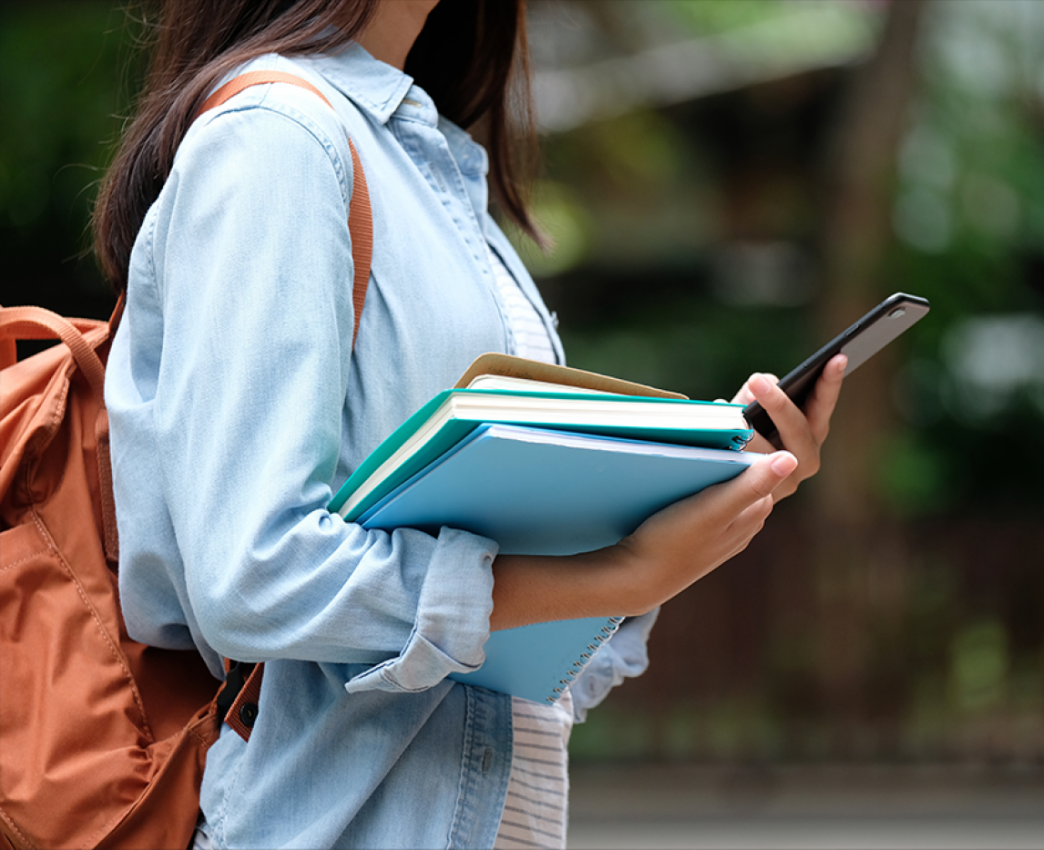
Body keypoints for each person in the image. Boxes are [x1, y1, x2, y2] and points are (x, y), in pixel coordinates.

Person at [94, 1, 847, 846]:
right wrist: (615, 577)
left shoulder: (428, 165)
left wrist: (703, 496)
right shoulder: (279, 136)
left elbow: (528, 681)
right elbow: (255, 573)